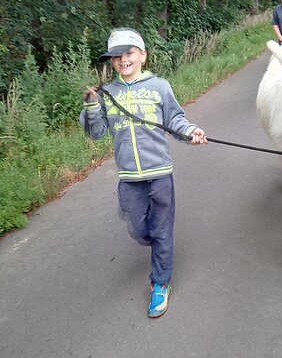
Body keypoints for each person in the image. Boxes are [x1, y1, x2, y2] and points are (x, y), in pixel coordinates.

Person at [81, 28, 208, 318]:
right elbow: (96, 131)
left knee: (161, 231)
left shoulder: (159, 86)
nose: (122, 59)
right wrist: (90, 105)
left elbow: (175, 119)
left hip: (160, 172)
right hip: (129, 178)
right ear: (111, 61)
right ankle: (157, 243)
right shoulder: (106, 94)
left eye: (129, 53)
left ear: (142, 55)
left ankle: (160, 282)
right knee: (141, 231)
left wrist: (191, 132)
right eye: (116, 55)